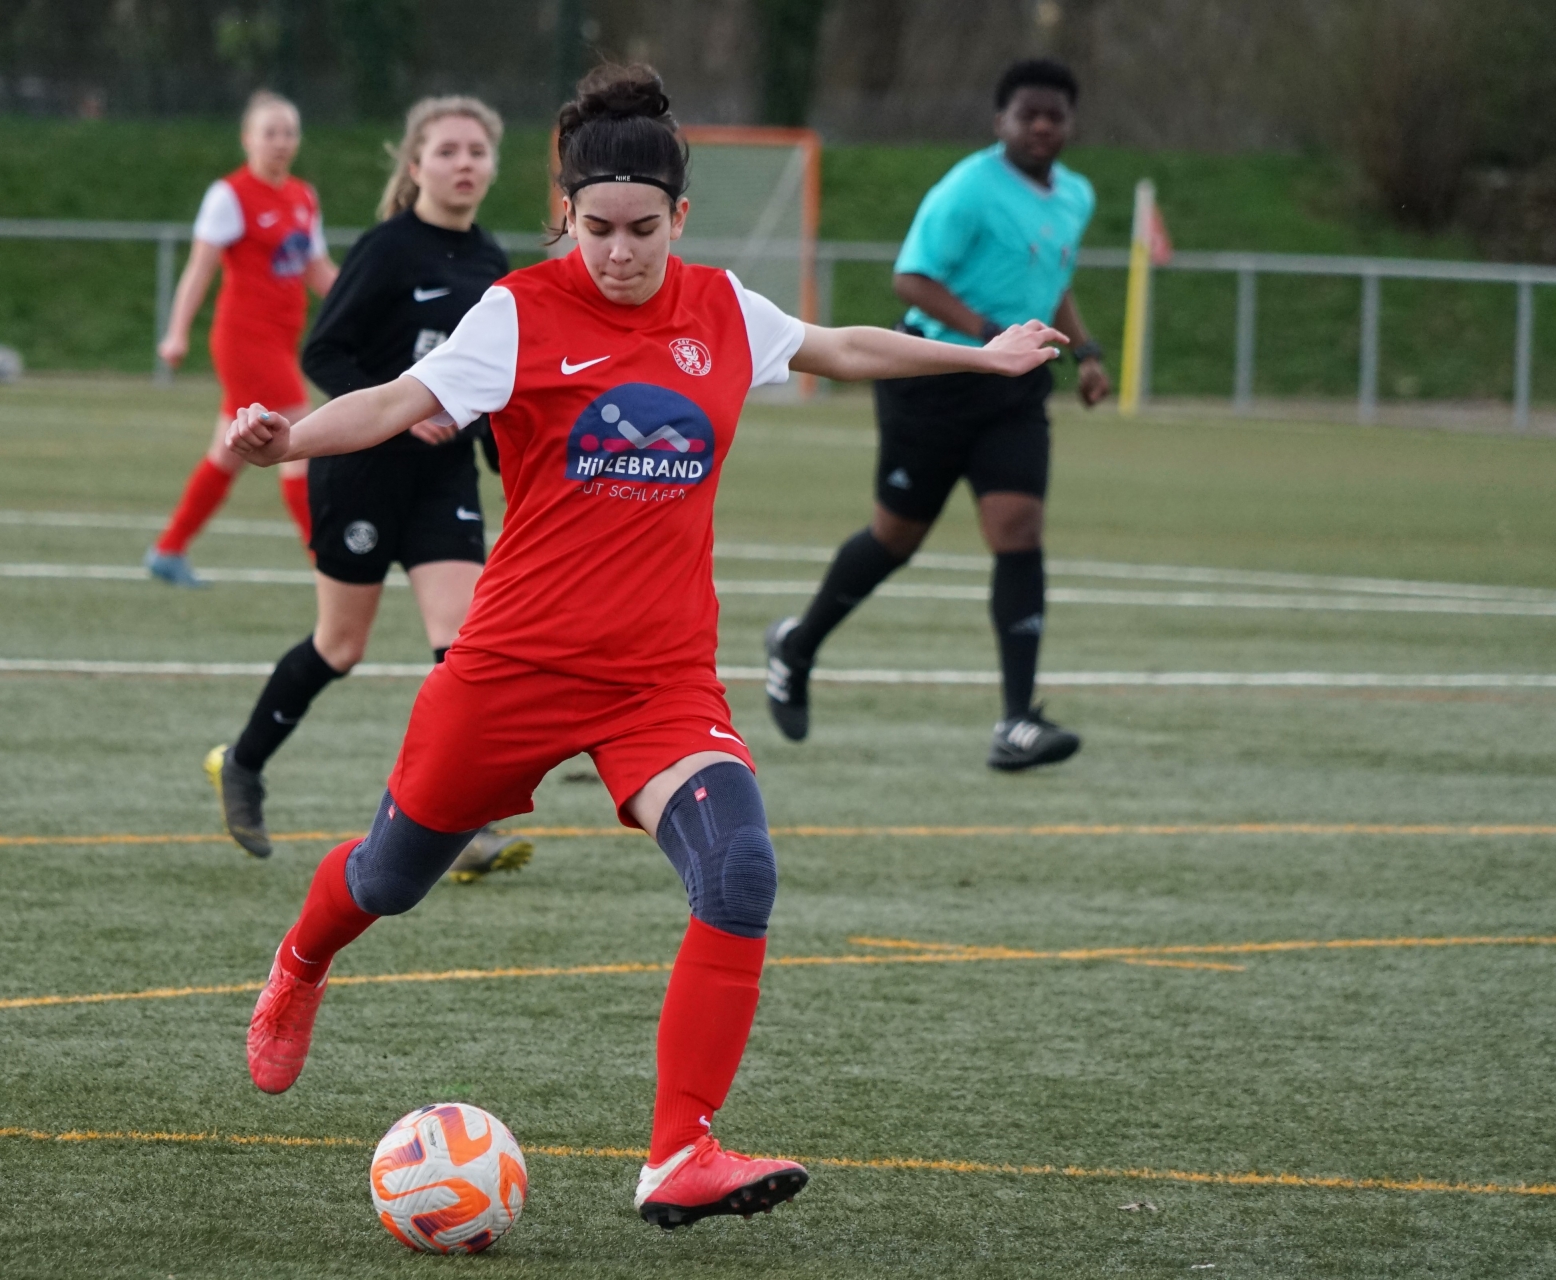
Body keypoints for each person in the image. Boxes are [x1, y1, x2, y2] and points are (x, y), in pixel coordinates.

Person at [223, 65, 1063, 1230]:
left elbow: (839, 346)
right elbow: (391, 400)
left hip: (660, 680)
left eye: (643, 229)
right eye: (597, 227)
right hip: (512, 668)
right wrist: (286, 441)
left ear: (681, 216)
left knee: (740, 871)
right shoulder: (517, 312)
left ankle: (680, 1150)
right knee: (389, 878)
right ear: (565, 212)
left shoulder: (722, 310)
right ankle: (300, 964)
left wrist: (985, 356)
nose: (619, 252)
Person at [204, 95, 530, 881]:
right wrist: (398, 412)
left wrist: (502, 457)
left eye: (476, 151)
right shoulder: (386, 250)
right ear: (415, 165)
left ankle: (458, 821)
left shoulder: (493, 265)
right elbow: (325, 353)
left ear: (492, 166)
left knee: (463, 649)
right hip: (361, 472)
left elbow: (495, 385)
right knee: (340, 646)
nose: (463, 164)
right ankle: (242, 764)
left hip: (444, 480)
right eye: (447, 151)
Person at [763, 58, 1110, 771]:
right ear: (1000, 121)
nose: (1042, 126)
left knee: (1018, 528)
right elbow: (911, 279)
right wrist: (987, 337)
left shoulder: (1075, 194)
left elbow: (1054, 278)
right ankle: (797, 646)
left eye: (1055, 115)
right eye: (1028, 114)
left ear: (1071, 123)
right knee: (896, 537)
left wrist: (1085, 351)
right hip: (935, 380)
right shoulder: (966, 190)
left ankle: (1017, 721)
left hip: (1015, 386)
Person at [143, 89, 338, 587]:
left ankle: (168, 550)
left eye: (289, 132)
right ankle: (328, 564)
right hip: (245, 341)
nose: (281, 142)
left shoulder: (303, 196)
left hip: (282, 341)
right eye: (270, 132)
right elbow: (199, 268)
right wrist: (176, 333)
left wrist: (368, 307)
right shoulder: (230, 195)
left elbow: (317, 271)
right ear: (248, 139)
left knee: (226, 455)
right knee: (299, 440)